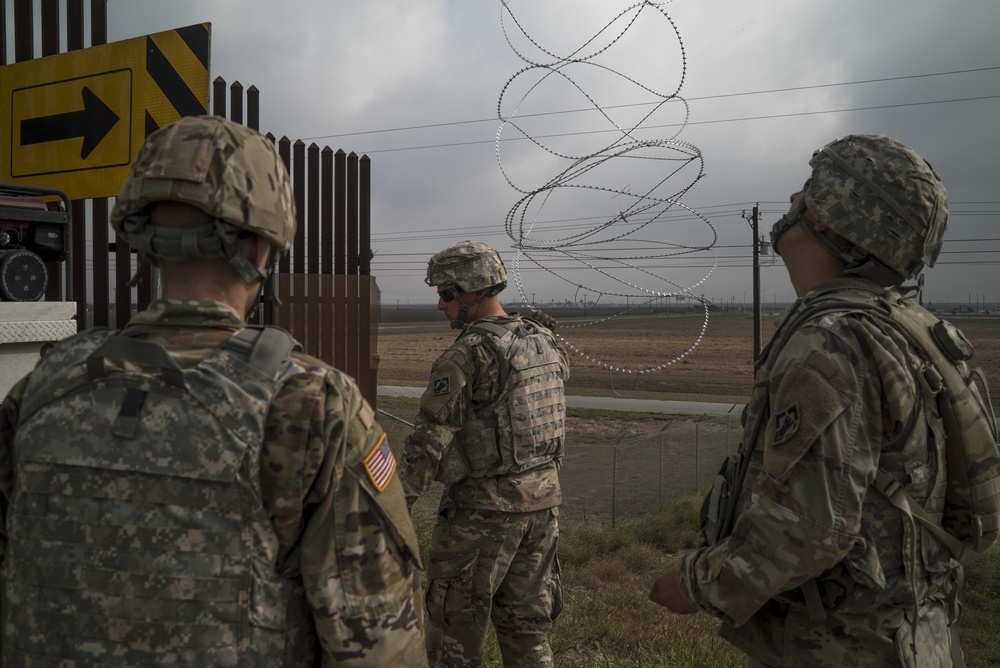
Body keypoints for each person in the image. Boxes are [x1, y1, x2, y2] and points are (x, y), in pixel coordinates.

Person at [0, 115, 427, 667]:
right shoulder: (312, 405)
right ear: (260, 248)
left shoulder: (41, 387)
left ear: (141, 237)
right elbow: (381, 646)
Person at [650, 134, 968, 666]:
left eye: (805, 192)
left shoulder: (830, 340)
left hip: (840, 646)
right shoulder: (909, 329)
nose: (791, 203)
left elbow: (809, 530)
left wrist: (694, 582)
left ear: (826, 219)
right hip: (914, 635)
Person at [400, 240, 570, 667]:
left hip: (479, 518)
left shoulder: (468, 352)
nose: (440, 305)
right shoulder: (543, 341)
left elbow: (427, 443)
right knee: (529, 638)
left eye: (446, 294)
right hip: (542, 512)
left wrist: (389, 512)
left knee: (453, 644)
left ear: (473, 292)